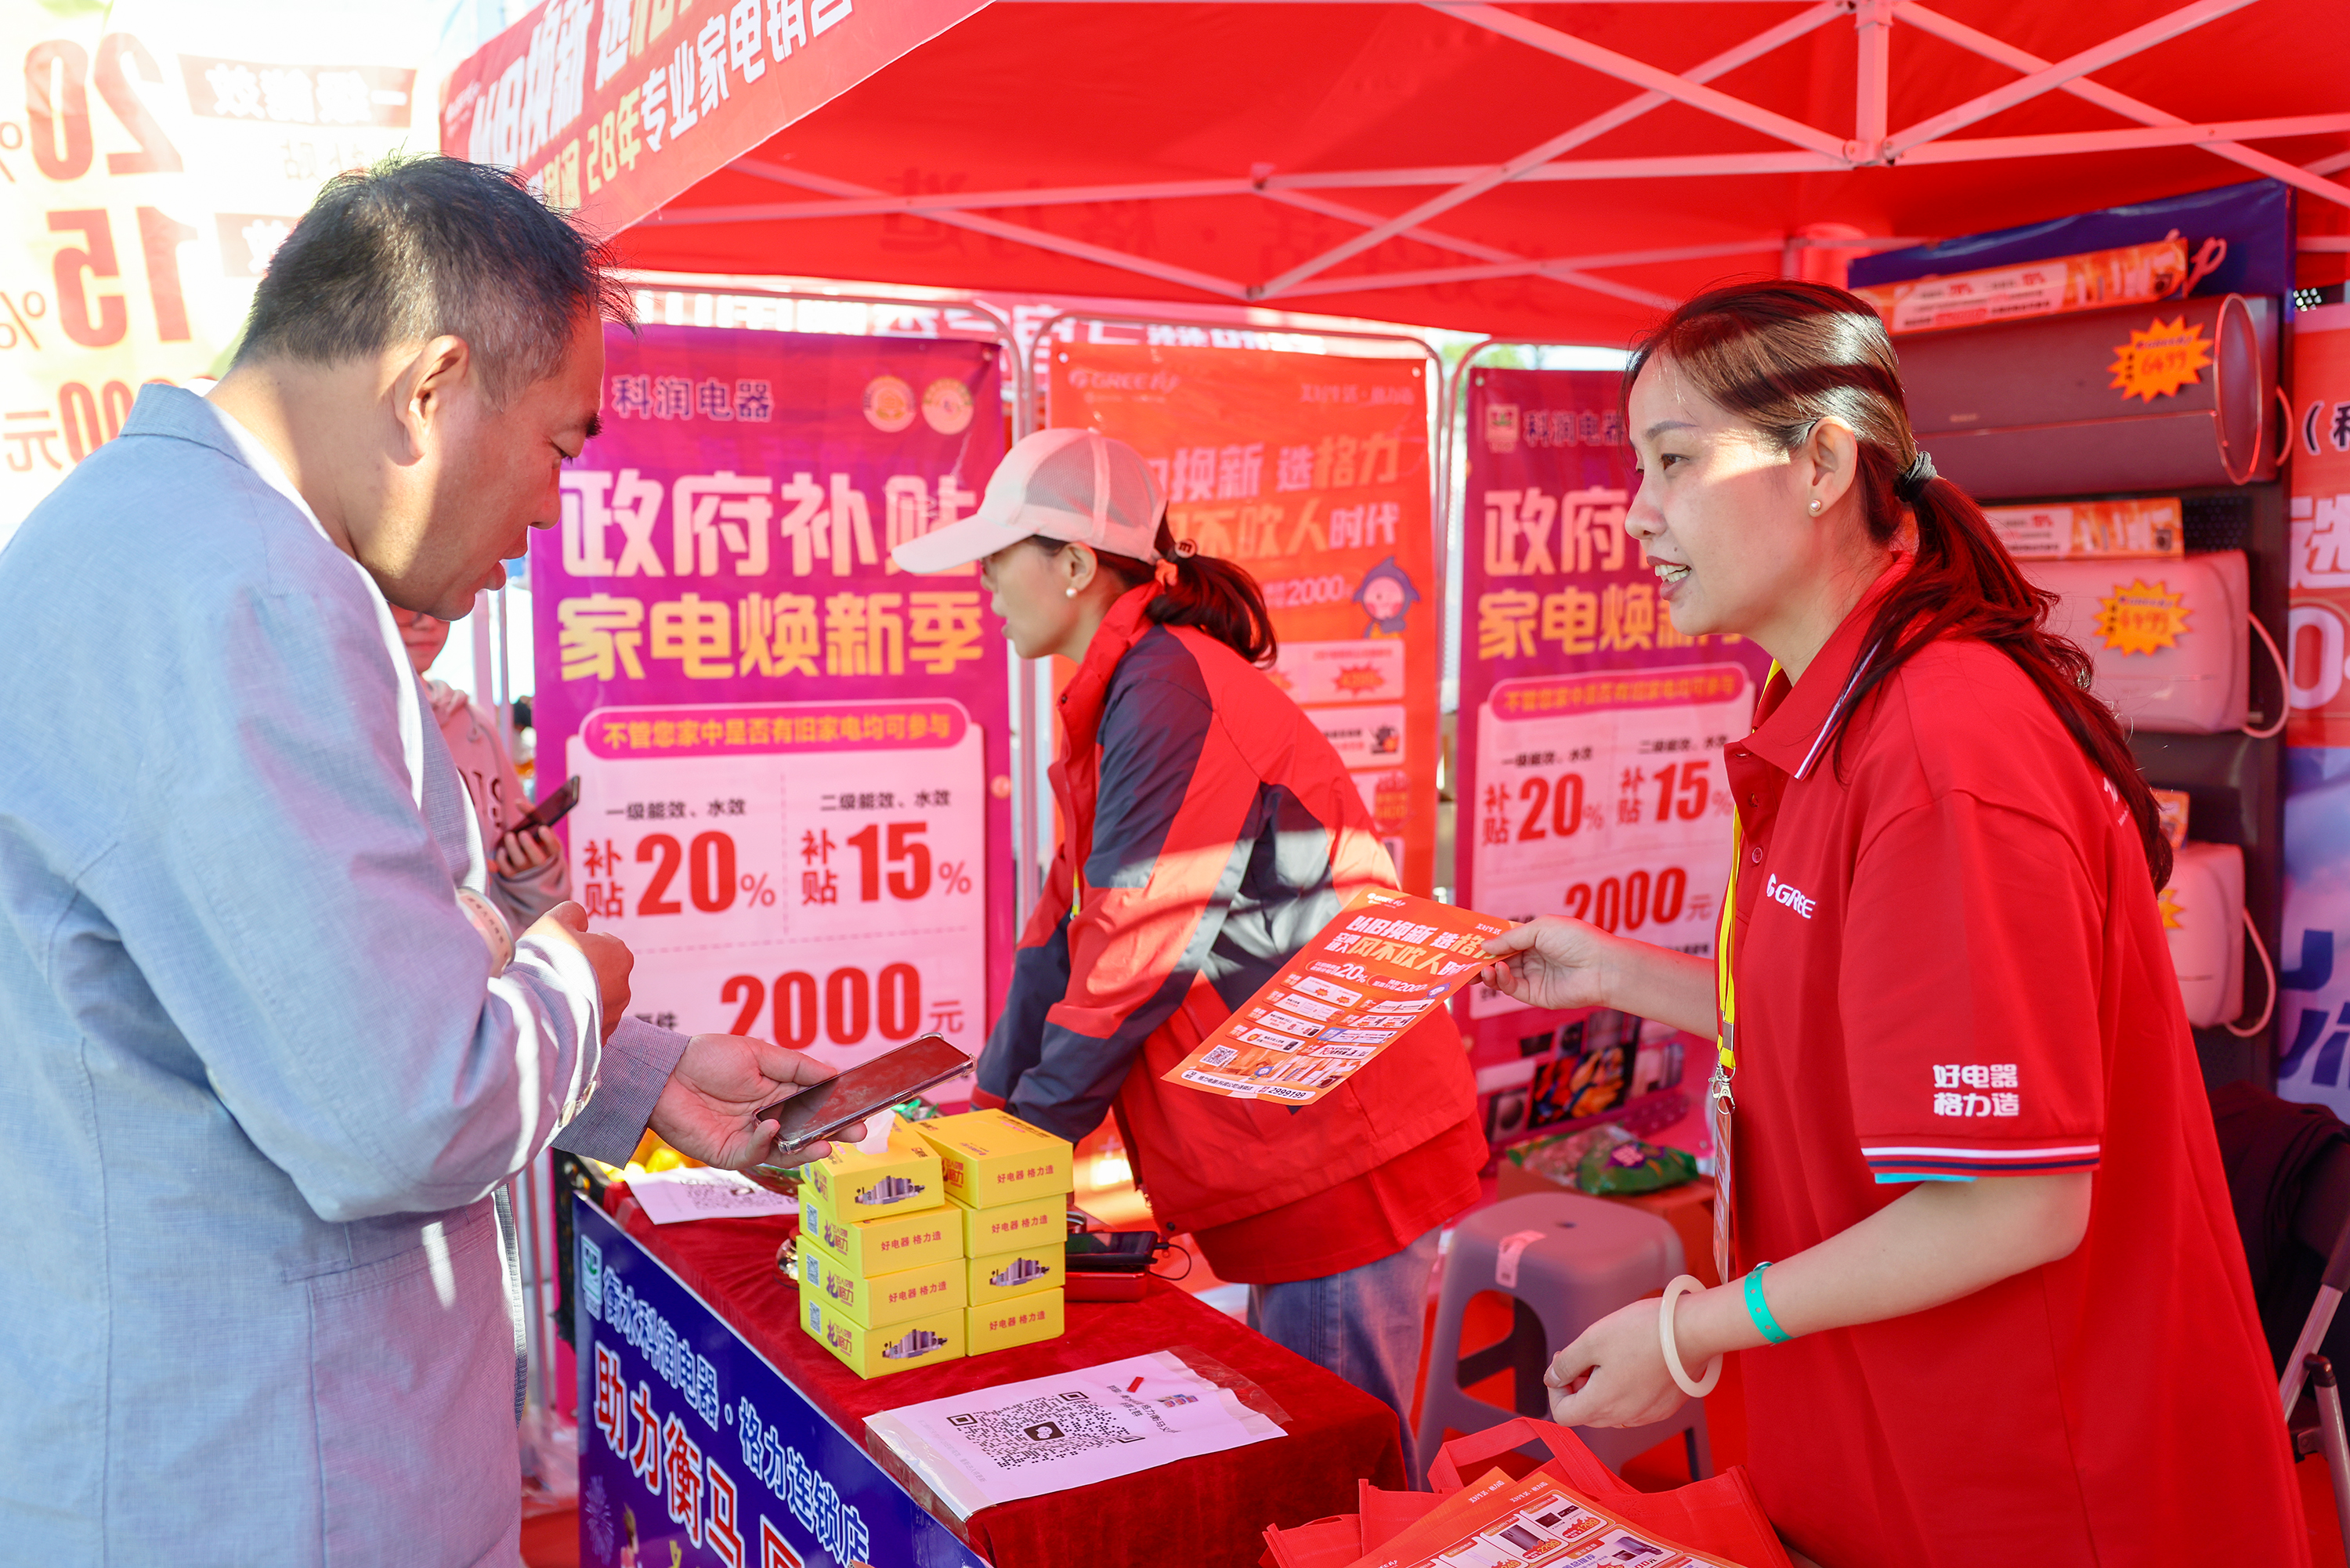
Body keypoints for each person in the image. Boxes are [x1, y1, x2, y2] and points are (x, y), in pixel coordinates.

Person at [0, 157, 855, 1564]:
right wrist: (575, 979)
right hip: (274, 1488)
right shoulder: (245, 592)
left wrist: (633, 1068)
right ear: (431, 386)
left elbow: (318, 989)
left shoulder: (155, 545)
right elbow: (401, 1109)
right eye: (560, 446)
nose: (548, 513)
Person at [1477, 280, 2301, 1565]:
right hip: (1885, 1455)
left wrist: (1691, 1331)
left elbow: (2010, 1206)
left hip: (2033, 1490)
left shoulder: (1942, 744)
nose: (1638, 511)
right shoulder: (1832, 699)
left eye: (1675, 461)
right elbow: (1842, 1019)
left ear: (1821, 465)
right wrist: (1622, 973)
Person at [892, 427, 1484, 1478]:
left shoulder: (1167, 688)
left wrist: (1024, 1148)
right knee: (1313, 1463)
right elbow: (1063, 933)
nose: (982, 583)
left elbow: (1138, 945)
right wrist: (989, 1123)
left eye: (997, 555)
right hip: (1300, 1133)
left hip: (1337, 1143)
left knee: (1339, 1488)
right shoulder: (1127, 691)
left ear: (1075, 564)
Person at [397, 605, 570, 930]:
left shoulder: (475, 724)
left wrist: (535, 871)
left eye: (438, 603)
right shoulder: (355, 724)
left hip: (495, 946)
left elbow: (522, 892)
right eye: (403, 603)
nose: (426, 622)